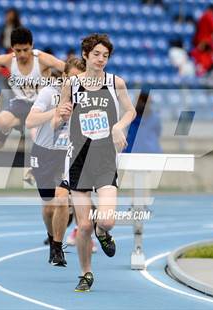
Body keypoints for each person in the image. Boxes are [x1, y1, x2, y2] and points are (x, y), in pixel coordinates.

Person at [55, 33, 136, 292]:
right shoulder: (72, 84)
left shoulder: (115, 83)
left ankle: (104, 233)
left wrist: (119, 127)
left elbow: (131, 111)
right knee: (84, 225)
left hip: (103, 158)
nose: (101, 59)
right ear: (86, 55)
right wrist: (61, 114)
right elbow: (58, 119)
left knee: (107, 220)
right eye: (97, 54)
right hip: (78, 159)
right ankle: (86, 273)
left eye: (106, 56)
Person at [25, 57, 85, 267]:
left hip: (66, 154)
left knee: (62, 199)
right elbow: (30, 121)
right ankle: (52, 239)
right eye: (72, 78)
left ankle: (58, 247)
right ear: (64, 76)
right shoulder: (49, 93)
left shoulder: (85, 97)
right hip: (43, 152)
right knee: (49, 206)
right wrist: (56, 112)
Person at [0, 27, 65, 151]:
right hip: (21, 103)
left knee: (37, 137)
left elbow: (67, 68)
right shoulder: (9, 60)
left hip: (42, 104)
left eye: (26, 50)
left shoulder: (42, 59)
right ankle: (7, 132)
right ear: (12, 48)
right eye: (18, 50)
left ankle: (30, 129)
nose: (22, 54)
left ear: (32, 45)